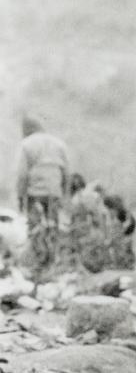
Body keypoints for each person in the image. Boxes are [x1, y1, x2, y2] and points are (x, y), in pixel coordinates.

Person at [15, 116, 70, 277]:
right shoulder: (59, 144)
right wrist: (64, 194)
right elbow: (67, 172)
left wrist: (20, 197)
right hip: (54, 193)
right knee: (53, 228)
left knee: (36, 229)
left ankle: (37, 266)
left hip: (35, 193)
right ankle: (52, 264)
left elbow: (22, 175)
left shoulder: (26, 144)